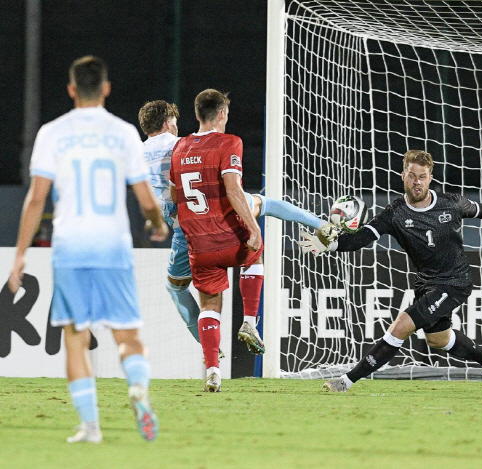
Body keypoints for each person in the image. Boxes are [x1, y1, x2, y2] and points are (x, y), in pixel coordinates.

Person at [7, 56, 168, 442]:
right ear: (107, 89)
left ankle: (91, 427)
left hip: (71, 247)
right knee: (127, 335)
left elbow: (36, 199)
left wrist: (20, 253)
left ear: (72, 89)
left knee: (75, 338)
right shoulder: (125, 133)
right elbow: (145, 197)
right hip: (112, 246)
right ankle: (138, 392)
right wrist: (157, 223)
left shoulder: (52, 133)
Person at [299, 150, 482, 393]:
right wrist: (329, 243)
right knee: (438, 339)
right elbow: (360, 239)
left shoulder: (450, 203)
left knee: (400, 326)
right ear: (403, 176)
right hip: (425, 284)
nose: (417, 182)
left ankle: (346, 382)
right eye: (412, 176)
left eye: (422, 176)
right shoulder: (395, 214)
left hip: (454, 282)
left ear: (430, 177)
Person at [138, 100, 326, 360]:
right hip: (214, 211)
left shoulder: (135, 154)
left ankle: (210, 351)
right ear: (169, 122)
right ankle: (322, 224)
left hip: (186, 231)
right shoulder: (180, 144)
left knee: (177, 288)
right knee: (266, 205)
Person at [169, 89, 266, 392]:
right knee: (256, 253)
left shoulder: (180, 147)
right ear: (222, 113)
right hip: (227, 235)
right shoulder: (229, 142)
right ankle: (249, 320)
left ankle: (213, 369)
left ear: (197, 115)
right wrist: (253, 228)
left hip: (198, 241)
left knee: (210, 303)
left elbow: (175, 196)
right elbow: (234, 189)